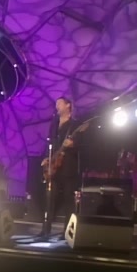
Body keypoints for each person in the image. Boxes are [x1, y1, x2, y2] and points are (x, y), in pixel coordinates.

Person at [40, 97, 90, 236]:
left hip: (68, 167)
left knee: (69, 199)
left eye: (60, 103)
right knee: (50, 198)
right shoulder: (54, 124)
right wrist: (47, 157)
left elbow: (83, 145)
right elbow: (50, 143)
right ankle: (45, 229)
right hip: (54, 166)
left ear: (68, 105)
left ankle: (67, 232)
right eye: (56, 104)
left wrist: (73, 144)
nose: (57, 106)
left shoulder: (75, 125)